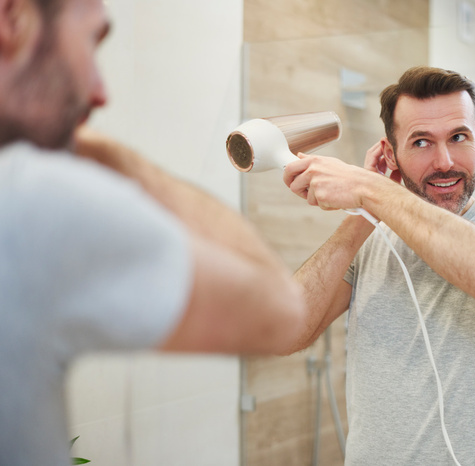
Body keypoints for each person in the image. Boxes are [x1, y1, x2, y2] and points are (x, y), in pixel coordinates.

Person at [0, 0, 305, 464]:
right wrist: (117, 158)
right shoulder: (30, 198)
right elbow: (282, 315)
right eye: (90, 40)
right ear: (12, 18)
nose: (99, 94)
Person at [282, 66, 475, 465]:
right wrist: (364, 210)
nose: (445, 161)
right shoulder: (370, 237)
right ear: (390, 154)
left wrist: (369, 189)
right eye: (421, 142)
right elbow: (287, 331)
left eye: (459, 137)